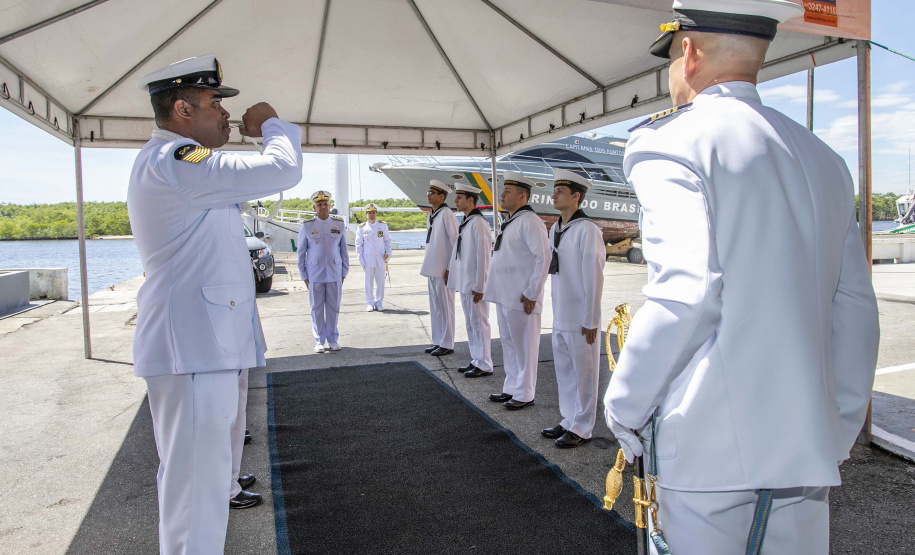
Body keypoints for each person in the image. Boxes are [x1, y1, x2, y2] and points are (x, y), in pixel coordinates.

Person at [602, 1, 880, 553]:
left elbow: (686, 294)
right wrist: (839, 425)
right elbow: (855, 308)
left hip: (707, 452)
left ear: (688, 52)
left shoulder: (669, 141)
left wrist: (625, 403)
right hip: (807, 450)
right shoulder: (823, 157)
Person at [127, 55, 303, 554]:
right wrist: (270, 123)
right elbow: (282, 167)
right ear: (182, 109)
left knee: (197, 489)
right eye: (213, 103)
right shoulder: (178, 161)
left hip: (202, 348)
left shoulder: (181, 165)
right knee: (193, 494)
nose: (226, 114)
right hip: (193, 348)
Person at [542, 169, 605, 448]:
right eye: (554, 191)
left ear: (576, 196)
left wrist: (591, 319)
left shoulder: (587, 230)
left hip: (581, 317)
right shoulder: (556, 227)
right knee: (565, 372)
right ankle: (568, 419)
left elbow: (593, 275)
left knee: (585, 374)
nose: (553, 195)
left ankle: (582, 427)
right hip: (561, 313)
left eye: (560, 192)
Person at [482, 171, 550, 410]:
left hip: (522, 296)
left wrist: (532, 292)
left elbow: (543, 257)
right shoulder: (511, 219)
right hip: (504, 293)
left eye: (507, 191)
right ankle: (511, 387)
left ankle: (525, 393)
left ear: (522, 196)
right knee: (509, 344)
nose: (502, 194)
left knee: (525, 347)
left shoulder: (530, 221)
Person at [445, 183, 493, 378]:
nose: (456, 201)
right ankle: (476, 359)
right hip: (465, 282)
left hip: (474, 283)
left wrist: (481, 285)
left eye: (459, 197)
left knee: (479, 323)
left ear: (470, 200)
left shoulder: (479, 224)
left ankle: (485, 363)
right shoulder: (467, 222)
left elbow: (484, 256)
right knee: (471, 323)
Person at [297, 190, 349, 353]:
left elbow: (344, 250)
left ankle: (333, 339)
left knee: (333, 307)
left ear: (329, 205)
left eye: (325, 204)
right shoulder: (307, 226)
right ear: (314, 207)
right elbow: (301, 252)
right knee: (316, 308)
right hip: (315, 273)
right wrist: (304, 276)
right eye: (319, 205)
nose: (323, 207)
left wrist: (343, 273)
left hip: (334, 271)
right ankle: (319, 340)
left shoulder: (338, 224)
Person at [420, 180, 458, 357]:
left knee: (445, 306)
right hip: (431, 266)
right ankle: (438, 340)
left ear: (441, 196)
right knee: (435, 307)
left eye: (432, 193)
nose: (428, 195)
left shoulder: (447, 214)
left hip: (443, 268)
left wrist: (451, 268)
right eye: (428, 192)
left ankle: (447, 342)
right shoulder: (432, 214)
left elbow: (455, 242)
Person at [355, 203, 392, 312]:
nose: (372, 215)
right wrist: (360, 259)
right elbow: (358, 245)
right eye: (369, 213)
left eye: (373, 213)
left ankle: (379, 302)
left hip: (380, 258)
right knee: (368, 282)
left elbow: (387, 241)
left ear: (376, 214)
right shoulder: (362, 228)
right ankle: (369, 303)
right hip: (368, 258)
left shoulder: (382, 225)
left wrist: (388, 255)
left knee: (380, 282)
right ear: (366, 215)